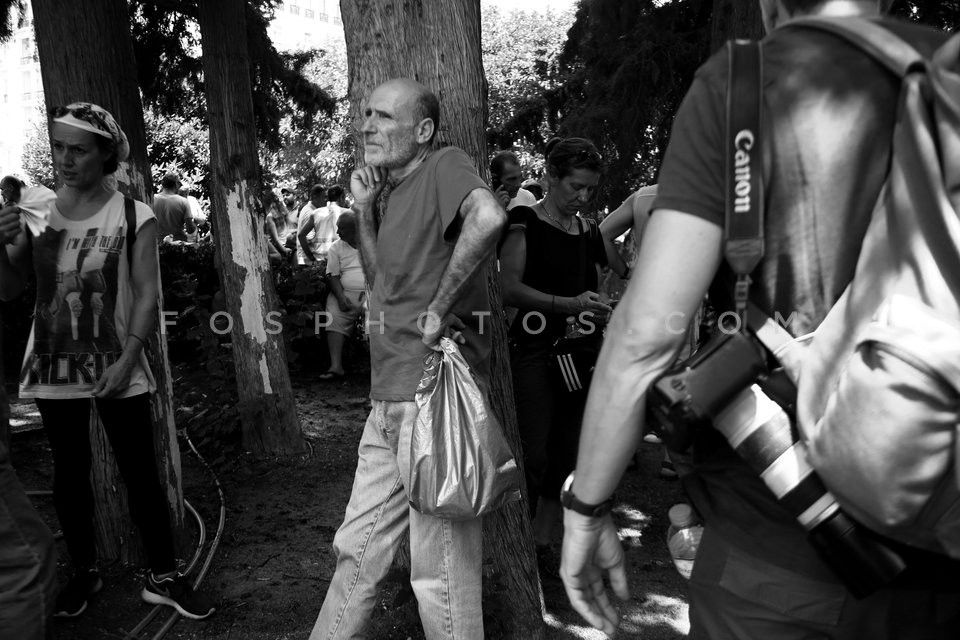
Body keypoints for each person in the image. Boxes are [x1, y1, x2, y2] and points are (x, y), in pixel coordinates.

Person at [559, 2, 960, 638]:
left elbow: (647, 335)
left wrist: (586, 508)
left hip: (780, 554)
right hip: (944, 548)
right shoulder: (949, 75)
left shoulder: (745, 84)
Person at [0, 102, 214, 621]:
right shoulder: (37, 210)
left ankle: (163, 575)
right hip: (54, 366)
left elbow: (146, 293)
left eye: (78, 149)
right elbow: (9, 290)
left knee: (140, 472)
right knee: (70, 476)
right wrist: (4, 246)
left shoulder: (132, 213)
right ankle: (84, 572)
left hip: (118, 362)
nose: (65, 160)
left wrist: (130, 358)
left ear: (105, 153)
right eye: (58, 148)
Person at [310, 78, 505, 640]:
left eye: (383, 117)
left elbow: (489, 218)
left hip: (433, 399)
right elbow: (380, 286)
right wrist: (365, 212)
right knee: (357, 549)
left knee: (440, 575)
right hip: (388, 399)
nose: (366, 125)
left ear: (422, 131)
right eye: (364, 114)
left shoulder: (443, 164)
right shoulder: (393, 192)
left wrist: (440, 308)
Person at [498, 137, 624, 574]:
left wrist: (599, 306)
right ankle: (517, 542)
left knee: (567, 453)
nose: (582, 196)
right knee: (534, 455)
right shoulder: (523, 220)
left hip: (579, 354)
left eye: (589, 189)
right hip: (533, 351)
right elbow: (507, 287)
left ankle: (543, 543)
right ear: (551, 176)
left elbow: (606, 278)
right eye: (575, 186)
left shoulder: (588, 230)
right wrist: (566, 305)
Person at [319, 211, 365, 380]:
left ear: (355, 229)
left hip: (371, 294)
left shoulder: (373, 244)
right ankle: (336, 366)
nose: (338, 232)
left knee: (379, 321)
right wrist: (340, 297)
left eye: (342, 228)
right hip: (344, 294)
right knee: (333, 316)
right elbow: (332, 275)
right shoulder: (336, 247)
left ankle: (379, 368)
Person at [152, 172, 195, 242]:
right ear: (176, 184)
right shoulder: (183, 201)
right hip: (177, 244)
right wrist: (195, 227)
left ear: (163, 184)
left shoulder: (152, 199)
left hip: (157, 244)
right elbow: (190, 229)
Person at [296, 184, 327, 266]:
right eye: (324, 197)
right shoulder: (310, 213)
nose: (326, 200)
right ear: (315, 197)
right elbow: (305, 238)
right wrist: (312, 258)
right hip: (308, 260)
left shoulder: (311, 209)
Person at [264, 187, 294, 265]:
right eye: (275, 202)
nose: (278, 204)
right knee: (278, 257)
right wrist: (284, 249)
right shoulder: (270, 217)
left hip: (286, 241)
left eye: (278, 201)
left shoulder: (283, 212)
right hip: (278, 244)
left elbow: (289, 228)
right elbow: (275, 239)